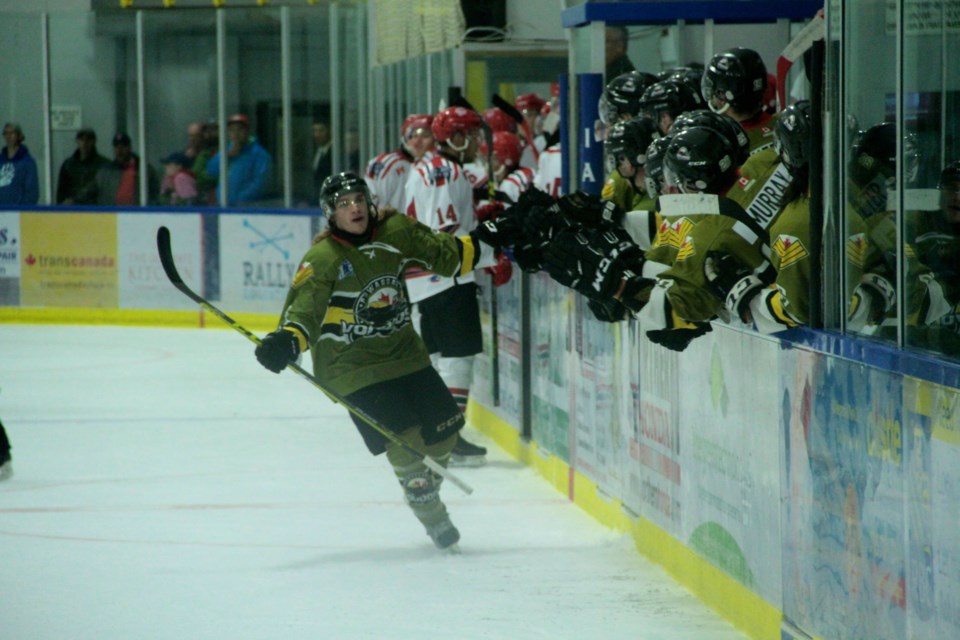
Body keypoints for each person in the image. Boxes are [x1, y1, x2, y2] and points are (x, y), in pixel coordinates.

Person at [253, 172, 499, 551]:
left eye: (357, 199)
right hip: (350, 368)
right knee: (406, 443)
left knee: (447, 431)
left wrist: (496, 238)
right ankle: (434, 517)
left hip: (403, 353)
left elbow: (447, 256)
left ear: (370, 203)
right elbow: (304, 312)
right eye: (343, 203)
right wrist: (288, 339)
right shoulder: (322, 259)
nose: (353, 207)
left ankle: (420, 487)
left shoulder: (395, 231)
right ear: (331, 214)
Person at [403, 106, 491, 466]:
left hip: (426, 281)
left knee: (441, 360)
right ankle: (449, 437)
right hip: (446, 277)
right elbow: (446, 230)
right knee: (457, 360)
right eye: (471, 135)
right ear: (455, 137)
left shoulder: (428, 166)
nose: (477, 143)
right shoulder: (445, 169)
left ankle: (436, 430)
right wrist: (488, 256)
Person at [364, 113, 433, 211]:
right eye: (413, 135)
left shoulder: (433, 167)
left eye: (425, 135)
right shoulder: (389, 164)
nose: (418, 141)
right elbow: (372, 203)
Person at [206, 113, 272, 206]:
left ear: (247, 131)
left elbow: (260, 183)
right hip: (223, 205)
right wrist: (227, 157)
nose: (235, 134)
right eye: (232, 130)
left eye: (240, 129)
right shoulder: (226, 151)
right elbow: (211, 171)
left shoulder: (259, 154)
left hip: (247, 207)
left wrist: (239, 199)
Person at [79, 132, 159, 206]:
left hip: (135, 216)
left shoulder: (144, 170)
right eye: (116, 146)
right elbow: (90, 189)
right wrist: (73, 200)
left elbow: (155, 194)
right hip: (110, 216)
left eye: (123, 146)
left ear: (130, 147)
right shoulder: (106, 171)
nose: (119, 150)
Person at [56, 128, 109, 204]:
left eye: (88, 140)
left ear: (94, 141)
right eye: (81, 139)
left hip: (95, 211)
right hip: (72, 211)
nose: (85, 143)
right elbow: (61, 192)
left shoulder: (104, 165)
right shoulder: (68, 165)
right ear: (77, 141)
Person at [0, 122, 39, 205]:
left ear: (19, 136)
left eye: (11, 133)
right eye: (6, 133)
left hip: (17, 213)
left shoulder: (28, 163)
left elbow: (31, 193)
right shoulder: (1, 161)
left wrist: (22, 210)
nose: (8, 136)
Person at [192, 120, 219, 205]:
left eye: (213, 130)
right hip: (198, 195)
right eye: (206, 131)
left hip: (213, 195)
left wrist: (200, 177)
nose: (209, 134)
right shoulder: (196, 151)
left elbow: (218, 174)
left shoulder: (224, 151)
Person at [311, 120, 332, 202]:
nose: (317, 135)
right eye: (315, 131)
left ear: (329, 130)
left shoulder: (335, 153)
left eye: (321, 131)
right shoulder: (314, 150)